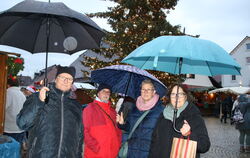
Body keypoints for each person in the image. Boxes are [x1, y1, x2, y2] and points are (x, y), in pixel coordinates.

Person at [17, 66, 83, 158]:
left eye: (69, 79)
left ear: (72, 82)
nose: (66, 81)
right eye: (62, 77)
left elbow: (79, 137)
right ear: (56, 79)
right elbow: (22, 123)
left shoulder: (76, 106)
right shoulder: (38, 98)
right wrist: (39, 102)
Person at [148, 84, 210, 158]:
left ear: (185, 96)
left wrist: (189, 135)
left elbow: (204, 145)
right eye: (173, 94)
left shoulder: (194, 116)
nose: (176, 97)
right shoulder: (163, 115)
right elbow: (154, 142)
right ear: (169, 97)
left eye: (180, 94)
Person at [116, 79, 164, 158]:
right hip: (132, 152)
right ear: (140, 91)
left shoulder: (160, 110)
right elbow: (129, 128)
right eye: (143, 89)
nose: (145, 92)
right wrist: (122, 124)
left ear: (154, 92)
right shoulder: (134, 108)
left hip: (149, 153)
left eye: (149, 89)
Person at [83, 83, 122, 158]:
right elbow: (84, 131)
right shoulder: (90, 109)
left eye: (108, 92)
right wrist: (96, 147)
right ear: (98, 93)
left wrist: (117, 145)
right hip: (95, 154)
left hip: (112, 153)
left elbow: (117, 130)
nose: (106, 93)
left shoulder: (113, 111)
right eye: (103, 91)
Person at [4, 78, 26, 145]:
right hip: (20, 128)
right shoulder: (22, 95)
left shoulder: (7, 93)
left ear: (8, 85)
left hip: (8, 129)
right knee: (16, 151)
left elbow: (2, 109)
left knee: (7, 152)